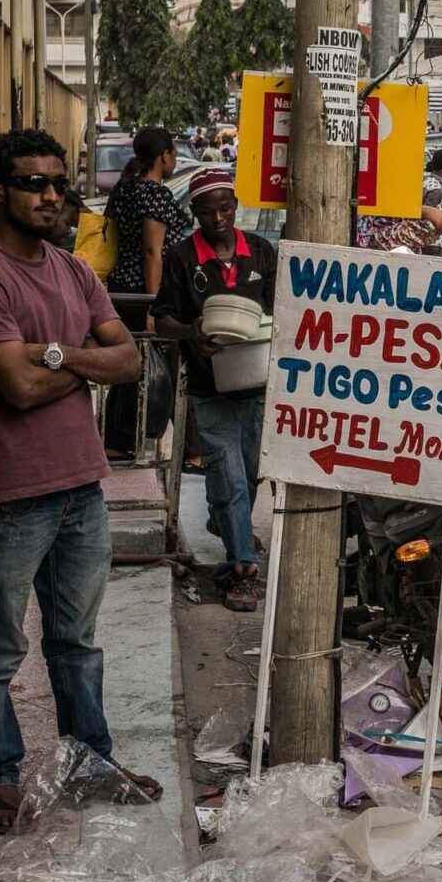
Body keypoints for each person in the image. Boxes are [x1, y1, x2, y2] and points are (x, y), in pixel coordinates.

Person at [0, 128, 152, 833]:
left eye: (58, 183)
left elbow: (129, 361)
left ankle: (91, 764)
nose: (51, 195)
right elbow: (19, 389)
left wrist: (54, 353)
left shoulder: (74, 271)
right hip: (13, 491)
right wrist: (80, 360)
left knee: (77, 642)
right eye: (34, 183)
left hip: (81, 485)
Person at [152, 169, 277, 611]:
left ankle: (225, 519)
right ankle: (241, 569)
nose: (219, 218)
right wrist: (191, 331)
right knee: (230, 478)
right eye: (208, 212)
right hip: (210, 387)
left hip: (257, 386)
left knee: (251, 472)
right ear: (195, 212)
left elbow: (281, 308)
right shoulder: (182, 257)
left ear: (236, 206)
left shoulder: (260, 251)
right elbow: (162, 319)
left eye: (225, 208)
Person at [101, 127, 188, 458]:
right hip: (145, 291)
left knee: (127, 364)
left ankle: (118, 439)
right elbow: (153, 252)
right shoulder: (154, 194)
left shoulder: (124, 188)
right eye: (173, 155)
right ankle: (142, 438)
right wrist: (154, 304)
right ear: (164, 156)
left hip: (122, 287)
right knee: (154, 364)